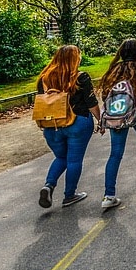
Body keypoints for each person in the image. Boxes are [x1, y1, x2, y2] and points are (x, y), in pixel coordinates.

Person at [98, 38, 136, 210]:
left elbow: (106, 95)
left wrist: (105, 117)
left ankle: (109, 195)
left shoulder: (114, 69)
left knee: (115, 153)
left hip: (117, 114)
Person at [36, 45, 101, 209]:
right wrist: (100, 120)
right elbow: (91, 103)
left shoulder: (44, 79)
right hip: (77, 122)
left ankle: (49, 185)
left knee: (61, 157)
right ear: (75, 58)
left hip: (52, 125)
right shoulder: (80, 77)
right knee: (74, 160)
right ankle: (69, 195)